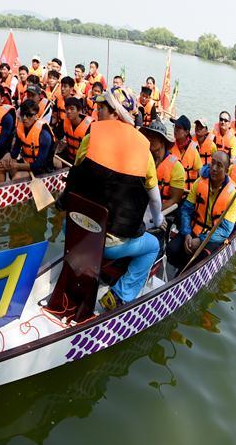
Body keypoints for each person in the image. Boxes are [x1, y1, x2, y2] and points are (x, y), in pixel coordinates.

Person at [60, 88, 164, 308]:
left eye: (101, 109)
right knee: (153, 245)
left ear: (116, 113)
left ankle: (77, 272)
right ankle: (120, 296)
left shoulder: (90, 137)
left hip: (75, 231)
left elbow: (76, 177)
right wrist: (160, 220)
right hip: (108, 242)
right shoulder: (144, 152)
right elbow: (155, 201)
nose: (97, 113)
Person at [167, 151, 236, 271]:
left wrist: (200, 240)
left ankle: (185, 273)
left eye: (219, 165)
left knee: (198, 263)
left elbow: (225, 230)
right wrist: (187, 233)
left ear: (226, 170)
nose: (214, 168)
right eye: (212, 163)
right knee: (171, 249)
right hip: (193, 230)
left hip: (212, 237)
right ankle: (180, 270)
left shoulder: (232, 194)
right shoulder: (200, 182)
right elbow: (186, 210)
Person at [0, 98, 54, 180]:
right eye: (22, 114)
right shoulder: (21, 129)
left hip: (42, 168)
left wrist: (17, 166)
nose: (24, 118)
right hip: (26, 162)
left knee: (17, 177)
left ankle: (14, 189)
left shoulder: (44, 135)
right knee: (1, 166)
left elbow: (39, 164)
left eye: (28, 115)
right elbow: (15, 153)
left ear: (36, 116)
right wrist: (8, 156)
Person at [141, 119, 185, 211]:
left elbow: (175, 199)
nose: (149, 139)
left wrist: (152, 214)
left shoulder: (177, 167)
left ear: (162, 141)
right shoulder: (143, 159)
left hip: (163, 213)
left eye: (153, 136)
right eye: (148, 135)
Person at [170, 115, 202, 191]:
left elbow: (200, 172)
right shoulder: (170, 146)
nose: (175, 130)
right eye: (175, 126)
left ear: (186, 132)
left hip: (187, 192)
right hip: (172, 189)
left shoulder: (193, 149)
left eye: (179, 128)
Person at [57, 95, 92, 164]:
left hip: (83, 162)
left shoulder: (89, 126)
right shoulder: (64, 122)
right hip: (69, 157)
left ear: (79, 111)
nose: (68, 111)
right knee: (55, 161)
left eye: (72, 109)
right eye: (67, 109)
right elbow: (56, 138)